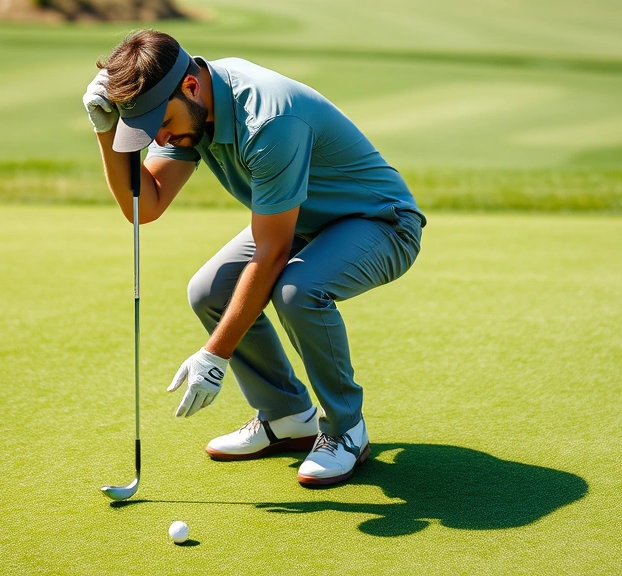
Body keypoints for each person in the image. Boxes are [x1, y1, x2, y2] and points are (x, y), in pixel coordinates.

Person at [82, 29, 425, 486]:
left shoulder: (267, 119)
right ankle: (287, 416)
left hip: (381, 222)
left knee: (298, 291)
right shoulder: (188, 104)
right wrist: (105, 131)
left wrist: (215, 355)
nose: (159, 138)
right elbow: (145, 205)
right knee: (208, 291)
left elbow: (272, 251)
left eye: (159, 123)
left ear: (190, 87)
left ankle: (347, 430)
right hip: (304, 220)